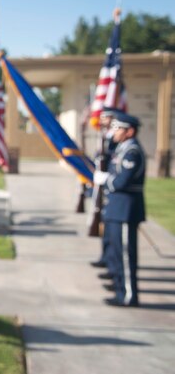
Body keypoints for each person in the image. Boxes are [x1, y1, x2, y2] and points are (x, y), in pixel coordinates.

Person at [93, 112, 145, 307]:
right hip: (116, 208)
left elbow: (122, 181)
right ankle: (119, 288)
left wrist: (106, 180)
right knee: (116, 252)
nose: (113, 132)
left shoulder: (132, 151)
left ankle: (128, 295)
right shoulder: (122, 148)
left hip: (125, 210)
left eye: (118, 129)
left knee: (125, 256)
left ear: (129, 131)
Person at [89, 107, 120, 269]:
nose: (101, 121)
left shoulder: (114, 139)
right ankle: (106, 257)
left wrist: (106, 177)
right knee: (105, 224)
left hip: (111, 185)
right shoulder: (105, 136)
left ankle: (111, 261)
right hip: (104, 184)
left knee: (111, 228)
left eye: (105, 118)